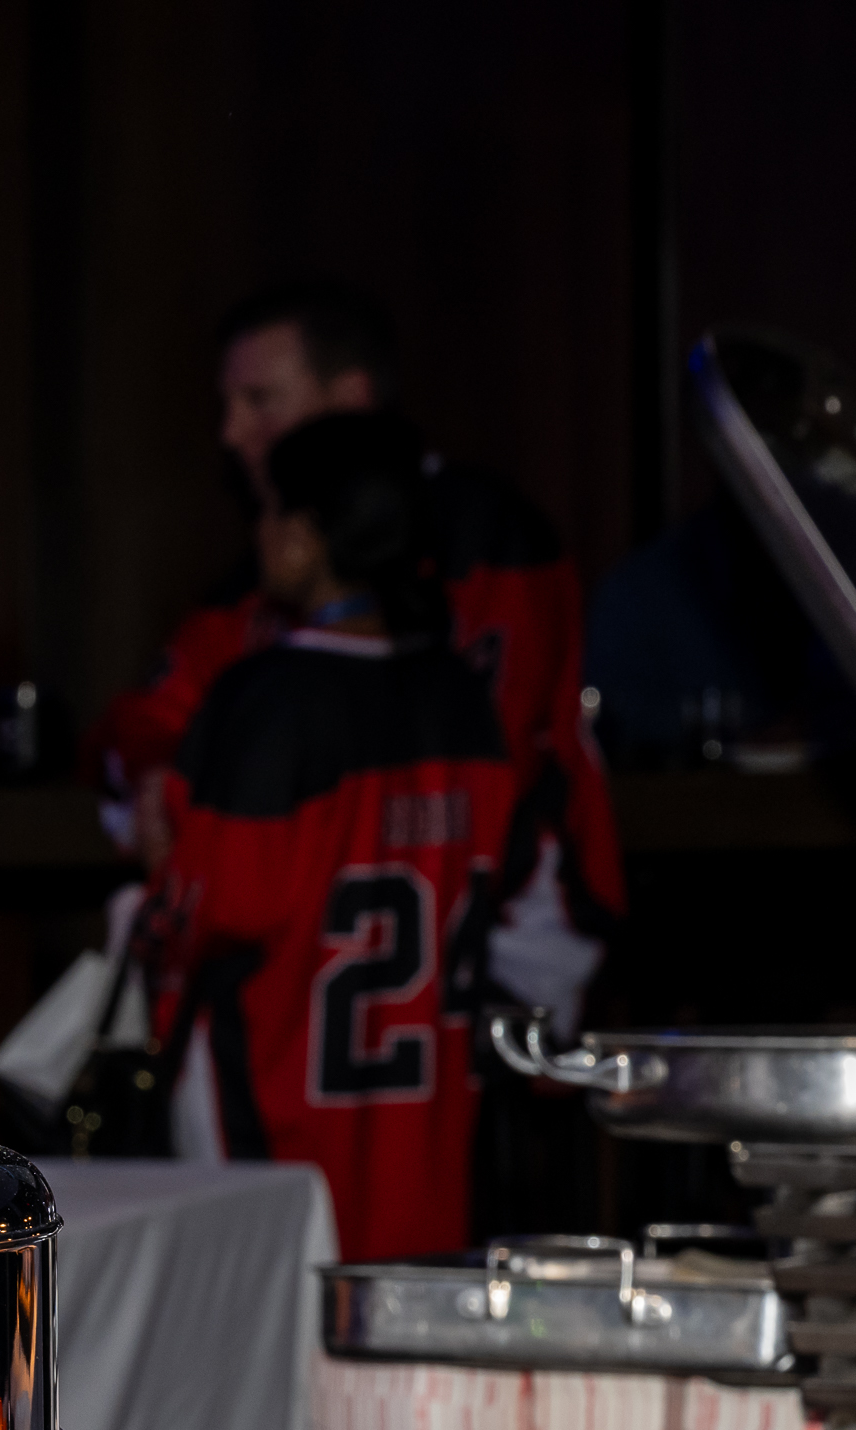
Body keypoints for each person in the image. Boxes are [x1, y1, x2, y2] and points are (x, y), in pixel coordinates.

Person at [93, 280, 618, 1040]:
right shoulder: (262, 583)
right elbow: (146, 719)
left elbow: (496, 776)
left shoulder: (490, 546)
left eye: (260, 400)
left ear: (352, 398)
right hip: (320, 960)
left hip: (491, 950)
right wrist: (161, 776)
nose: (233, 434)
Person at [138, 411, 524, 1264]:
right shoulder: (465, 696)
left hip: (276, 1121)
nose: (261, 531)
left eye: (273, 510)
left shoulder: (268, 701)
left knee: (273, 1360)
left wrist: (162, 863)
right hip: (426, 1140)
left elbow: (217, 913)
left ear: (308, 539)